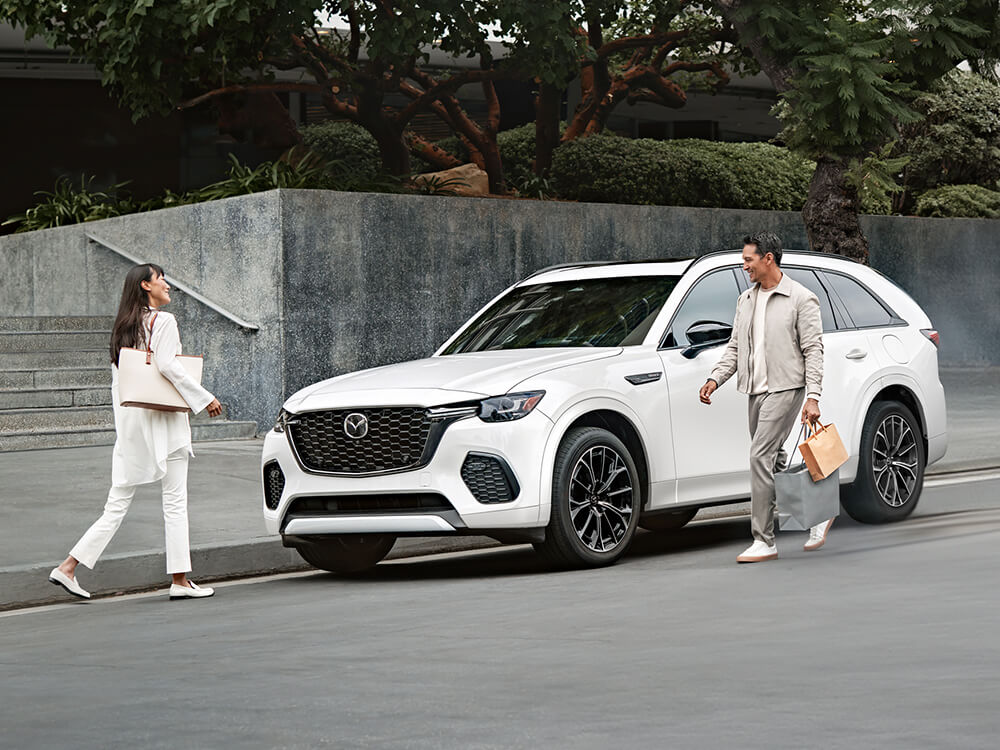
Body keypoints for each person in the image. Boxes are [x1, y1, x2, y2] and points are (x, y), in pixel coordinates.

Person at [48, 263, 223, 600]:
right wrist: (205, 398)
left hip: (132, 429)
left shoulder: (124, 327)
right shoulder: (164, 321)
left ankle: (68, 567)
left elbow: (122, 385)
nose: (167, 285)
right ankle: (180, 581)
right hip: (164, 424)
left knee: (115, 507)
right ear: (146, 285)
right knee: (174, 503)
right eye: (161, 280)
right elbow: (169, 365)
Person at [698, 231, 834, 563]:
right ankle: (817, 513)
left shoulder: (801, 298)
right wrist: (715, 378)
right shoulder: (746, 300)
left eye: (748, 260)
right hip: (755, 390)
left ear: (767, 258)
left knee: (759, 455)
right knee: (773, 460)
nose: (743, 265)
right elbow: (734, 348)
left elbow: (813, 350)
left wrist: (812, 396)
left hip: (786, 387)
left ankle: (764, 539)